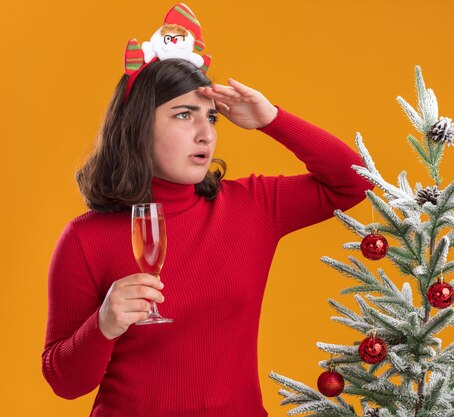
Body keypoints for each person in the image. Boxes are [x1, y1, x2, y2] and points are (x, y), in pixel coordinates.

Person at [41, 4, 373, 416]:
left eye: (211, 118)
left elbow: (355, 180)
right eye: (184, 115)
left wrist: (271, 119)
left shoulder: (251, 206)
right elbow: (65, 382)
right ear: (138, 126)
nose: (206, 134)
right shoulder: (85, 238)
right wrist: (103, 325)